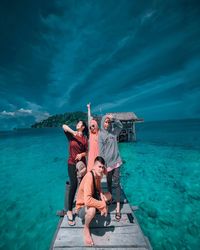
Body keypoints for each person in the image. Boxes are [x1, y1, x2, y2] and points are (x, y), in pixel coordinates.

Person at [76, 156, 112, 246]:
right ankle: (86, 228)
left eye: (103, 167)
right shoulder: (89, 177)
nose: (101, 169)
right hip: (82, 207)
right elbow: (87, 201)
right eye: (99, 167)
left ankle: (99, 208)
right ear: (94, 167)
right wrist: (102, 205)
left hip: (93, 199)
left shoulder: (98, 176)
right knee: (91, 210)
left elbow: (99, 190)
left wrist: (102, 201)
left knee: (109, 195)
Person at [62, 120, 88, 226]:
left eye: (79, 123)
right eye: (77, 122)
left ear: (83, 127)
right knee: (73, 184)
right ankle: (69, 210)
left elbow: (87, 151)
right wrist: (73, 132)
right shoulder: (71, 135)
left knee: (82, 185)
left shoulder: (85, 139)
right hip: (71, 163)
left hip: (81, 165)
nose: (77, 124)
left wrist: (82, 155)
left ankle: (79, 205)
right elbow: (63, 126)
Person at [99, 114, 123, 221]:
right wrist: (103, 166)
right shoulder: (101, 135)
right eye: (105, 121)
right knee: (108, 183)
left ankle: (118, 209)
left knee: (117, 184)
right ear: (102, 122)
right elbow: (101, 152)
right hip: (108, 165)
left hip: (117, 162)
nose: (107, 124)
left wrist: (114, 118)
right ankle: (110, 199)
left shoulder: (114, 132)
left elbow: (120, 126)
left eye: (108, 122)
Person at [87, 103, 99, 172]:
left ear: (96, 126)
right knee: (91, 172)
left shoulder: (99, 134)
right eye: (90, 127)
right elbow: (89, 119)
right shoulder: (90, 134)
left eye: (93, 126)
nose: (92, 127)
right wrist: (88, 108)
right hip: (91, 158)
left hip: (98, 156)